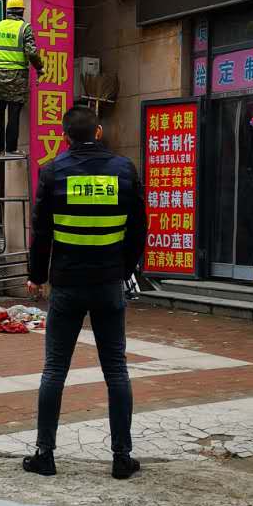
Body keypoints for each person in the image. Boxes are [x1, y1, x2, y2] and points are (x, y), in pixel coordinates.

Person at [22, 103, 148, 480]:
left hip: (67, 286)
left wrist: (36, 276)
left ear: (65, 137)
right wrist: (124, 270)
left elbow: (41, 232)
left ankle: (45, 454)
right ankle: (122, 458)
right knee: (116, 370)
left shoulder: (52, 172)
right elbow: (138, 229)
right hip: (108, 284)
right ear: (98, 132)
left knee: (54, 370)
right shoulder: (124, 170)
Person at [0, 0, 44, 154]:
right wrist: (39, 68)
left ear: (8, 11)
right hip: (17, 77)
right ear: (22, 11)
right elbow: (32, 52)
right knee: (14, 114)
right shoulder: (25, 28)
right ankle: (11, 148)